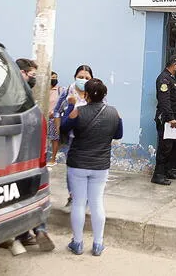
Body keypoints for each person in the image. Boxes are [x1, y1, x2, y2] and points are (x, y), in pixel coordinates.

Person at [60, 78, 123, 256]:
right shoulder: (114, 113)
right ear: (105, 95)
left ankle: (77, 243)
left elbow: (63, 128)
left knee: (79, 203)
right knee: (96, 203)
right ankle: (97, 244)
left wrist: (71, 106)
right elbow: (118, 134)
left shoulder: (77, 112)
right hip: (100, 166)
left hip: (78, 164)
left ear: (86, 94)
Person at [13, 58, 55, 252]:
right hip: (23, 155)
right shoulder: (15, 94)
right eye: (31, 74)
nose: (34, 78)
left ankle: (25, 234)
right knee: (32, 191)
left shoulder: (21, 92)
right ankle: (35, 230)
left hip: (29, 154)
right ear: (21, 72)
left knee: (28, 192)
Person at [53, 65, 96, 207]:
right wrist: (59, 130)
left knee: (89, 169)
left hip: (90, 138)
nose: (83, 80)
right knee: (72, 168)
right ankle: (72, 195)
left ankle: (87, 197)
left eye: (86, 78)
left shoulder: (95, 92)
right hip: (72, 137)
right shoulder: (67, 92)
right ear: (75, 77)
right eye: (80, 77)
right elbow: (57, 111)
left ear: (91, 79)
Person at [151, 54, 176, 185]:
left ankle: (168, 171)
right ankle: (158, 175)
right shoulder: (164, 79)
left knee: (172, 146)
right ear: (175, 65)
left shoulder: (175, 78)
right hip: (167, 119)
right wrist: (170, 118)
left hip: (175, 117)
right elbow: (164, 101)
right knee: (165, 147)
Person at [48, 71, 66, 166]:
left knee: (54, 139)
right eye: (52, 77)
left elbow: (63, 104)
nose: (54, 79)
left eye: (56, 77)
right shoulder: (43, 90)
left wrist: (55, 113)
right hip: (43, 118)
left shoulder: (60, 90)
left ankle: (53, 159)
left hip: (54, 119)